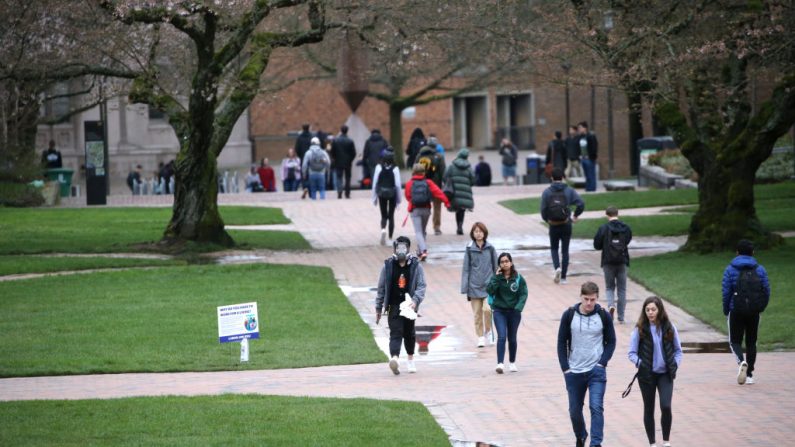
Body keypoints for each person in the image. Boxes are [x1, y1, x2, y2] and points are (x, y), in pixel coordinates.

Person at [557, 281, 616, 447]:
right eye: (586, 299)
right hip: (574, 371)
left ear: (597, 298)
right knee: (574, 411)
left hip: (596, 371)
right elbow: (561, 342)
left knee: (596, 407)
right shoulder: (569, 315)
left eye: (593, 299)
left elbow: (611, 341)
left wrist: (602, 363)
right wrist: (565, 368)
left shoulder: (603, 315)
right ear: (580, 297)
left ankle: (596, 443)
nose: (589, 303)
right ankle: (581, 435)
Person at [627, 296, 683, 447]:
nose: (650, 313)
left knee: (666, 405)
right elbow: (631, 353)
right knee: (649, 408)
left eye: (653, 309)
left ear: (660, 310)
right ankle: (652, 443)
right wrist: (641, 363)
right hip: (647, 375)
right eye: (647, 310)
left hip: (665, 374)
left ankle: (666, 441)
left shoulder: (669, 327)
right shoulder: (639, 329)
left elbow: (678, 351)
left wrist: (674, 364)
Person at [375, 236, 426, 375]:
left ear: (408, 249)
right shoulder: (388, 266)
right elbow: (381, 288)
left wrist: (415, 301)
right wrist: (378, 308)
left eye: (404, 247)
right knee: (395, 332)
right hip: (393, 305)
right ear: (395, 249)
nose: (401, 250)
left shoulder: (416, 266)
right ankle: (395, 359)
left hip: (409, 304)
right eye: (399, 248)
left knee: (409, 332)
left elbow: (421, 286)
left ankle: (410, 359)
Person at [722, 239, 770, 385]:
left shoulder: (730, 269)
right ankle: (749, 375)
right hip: (754, 311)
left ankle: (741, 362)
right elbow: (766, 291)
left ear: (737, 253)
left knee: (734, 341)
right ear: (753, 252)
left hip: (736, 309)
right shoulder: (760, 269)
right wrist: (760, 307)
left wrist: (726, 309)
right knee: (751, 342)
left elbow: (726, 292)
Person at [540, 167, 585, 285]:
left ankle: (557, 268)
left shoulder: (547, 192)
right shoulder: (569, 191)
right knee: (565, 250)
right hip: (566, 224)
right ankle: (564, 277)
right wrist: (575, 215)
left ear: (551, 178)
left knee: (554, 248)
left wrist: (547, 220)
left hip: (553, 225)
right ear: (563, 178)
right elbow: (581, 203)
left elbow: (543, 210)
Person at [487, 252, 528, 373]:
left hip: (514, 312)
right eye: (502, 262)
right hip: (499, 311)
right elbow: (489, 290)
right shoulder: (496, 277)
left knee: (512, 338)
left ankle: (512, 362)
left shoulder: (518, 278)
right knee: (502, 336)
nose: (504, 263)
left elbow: (523, 293)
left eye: (506, 261)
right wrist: (496, 278)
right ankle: (500, 363)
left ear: (511, 263)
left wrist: (518, 307)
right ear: (499, 264)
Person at [461, 222, 498, 348]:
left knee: (487, 310)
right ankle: (480, 336)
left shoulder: (490, 248)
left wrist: (498, 283)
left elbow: (496, 267)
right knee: (477, 314)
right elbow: (466, 269)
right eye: (476, 231)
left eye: (480, 231)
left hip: (489, 286)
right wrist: (464, 287)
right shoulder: (469, 249)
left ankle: (488, 331)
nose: (478, 233)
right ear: (472, 234)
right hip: (474, 286)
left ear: (484, 233)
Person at [593, 206, 633, 323]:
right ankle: (621, 317)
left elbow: (596, 245)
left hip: (608, 261)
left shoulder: (603, 228)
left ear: (607, 215)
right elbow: (627, 240)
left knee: (609, 287)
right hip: (622, 261)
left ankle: (611, 305)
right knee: (622, 289)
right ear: (617, 214)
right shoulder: (625, 228)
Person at [405, 163, 450, 261]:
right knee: (423, 231)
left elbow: (408, 196)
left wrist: (412, 201)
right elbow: (438, 192)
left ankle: (423, 250)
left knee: (418, 232)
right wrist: (446, 202)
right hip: (426, 209)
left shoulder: (409, 183)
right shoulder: (428, 182)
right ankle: (421, 251)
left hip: (415, 209)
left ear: (413, 172)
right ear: (423, 172)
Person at [372, 149, 402, 246]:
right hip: (392, 193)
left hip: (381, 193)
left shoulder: (378, 167)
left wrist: (374, 197)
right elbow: (398, 185)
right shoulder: (395, 168)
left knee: (383, 215)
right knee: (391, 216)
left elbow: (375, 183)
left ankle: (383, 230)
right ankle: (390, 238)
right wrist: (398, 200)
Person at [415, 140, 446, 235]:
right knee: (437, 207)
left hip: (422, 184)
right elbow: (443, 172)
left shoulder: (419, 156)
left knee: (424, 206)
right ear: (435, 146)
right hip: (435, 185)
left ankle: (422, 227)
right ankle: (436, 227)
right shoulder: (439, 156)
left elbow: (415, 169)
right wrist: (444, 183)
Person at [443, 148, 476, 235]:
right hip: (465, 192)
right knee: (462, 210)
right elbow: (473, 180)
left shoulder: (451, 166)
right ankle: (460, 226)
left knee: (457, 209)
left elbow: (445, 177)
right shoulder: (469, 167)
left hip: (454, 192)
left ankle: (459, 226)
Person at [330, 125, 357, 199]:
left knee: (339, 177)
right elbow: (354, 153)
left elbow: (332, 152)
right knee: (348, 178)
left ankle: (339, 192)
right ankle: (347, 193)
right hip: (348, 163)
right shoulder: (350, 141)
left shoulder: (336, 140)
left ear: (341, 130)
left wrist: (335, 159)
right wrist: (350, 160)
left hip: (338, 162)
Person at [577, 121, 599, 192]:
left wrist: (590, 156)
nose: (579, 129)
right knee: (586, 174)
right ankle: (588, 187)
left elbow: (594, 147)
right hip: (583, 158)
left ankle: (592, 188)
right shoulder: (581, 137)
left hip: (589, 159)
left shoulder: (591, 136)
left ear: (585, 128)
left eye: (580, 128)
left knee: (591, 174)